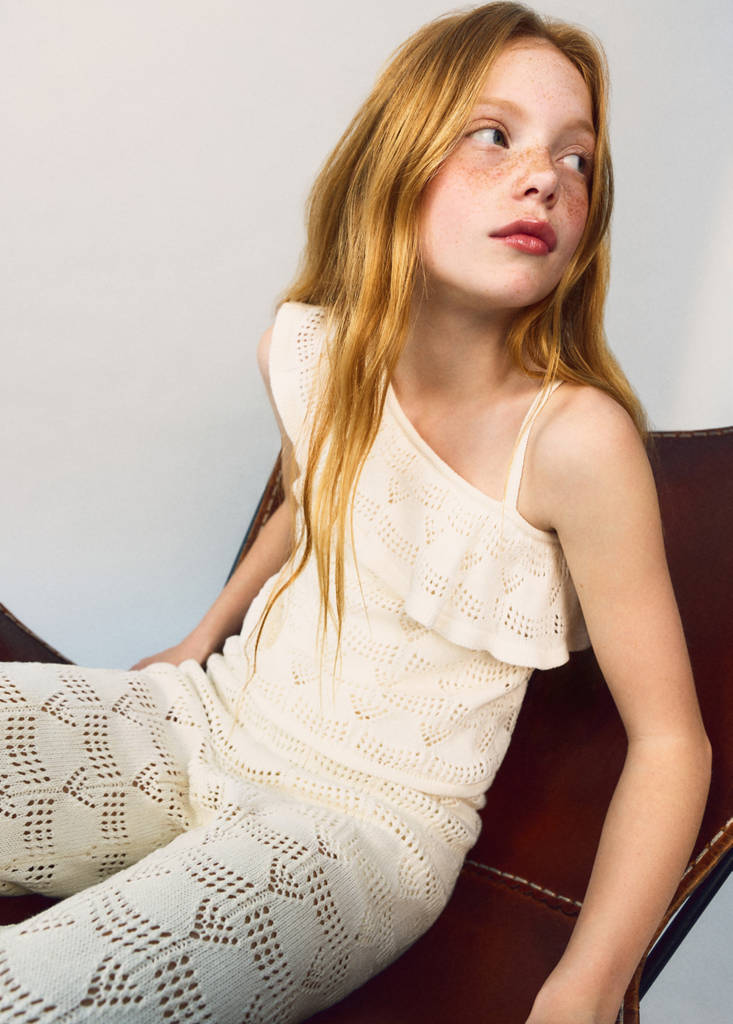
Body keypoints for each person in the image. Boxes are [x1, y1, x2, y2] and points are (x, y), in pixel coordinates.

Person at [0, 3, 712, 1022]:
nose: (544, 178)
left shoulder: (574, 442)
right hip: (211, 721)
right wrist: (201, 637)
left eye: (577, 158)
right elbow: (313, 501)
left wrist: (587, 986)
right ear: (396, 156)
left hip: (355, 835)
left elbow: (671, 743)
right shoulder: (309, 350)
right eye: (493, 134)